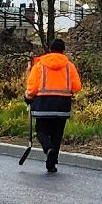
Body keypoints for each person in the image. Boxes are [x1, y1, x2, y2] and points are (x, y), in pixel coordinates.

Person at [24, 37, 83, 173]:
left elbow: (32, 88)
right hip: (62, 105)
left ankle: (48, 148)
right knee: (57, 134)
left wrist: (28, 96)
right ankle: (52, 163)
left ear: (49, 50)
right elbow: (77, 87)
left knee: (41, 131)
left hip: (43, 105)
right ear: (63, 51)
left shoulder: (39, 65)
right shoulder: (69, 66)